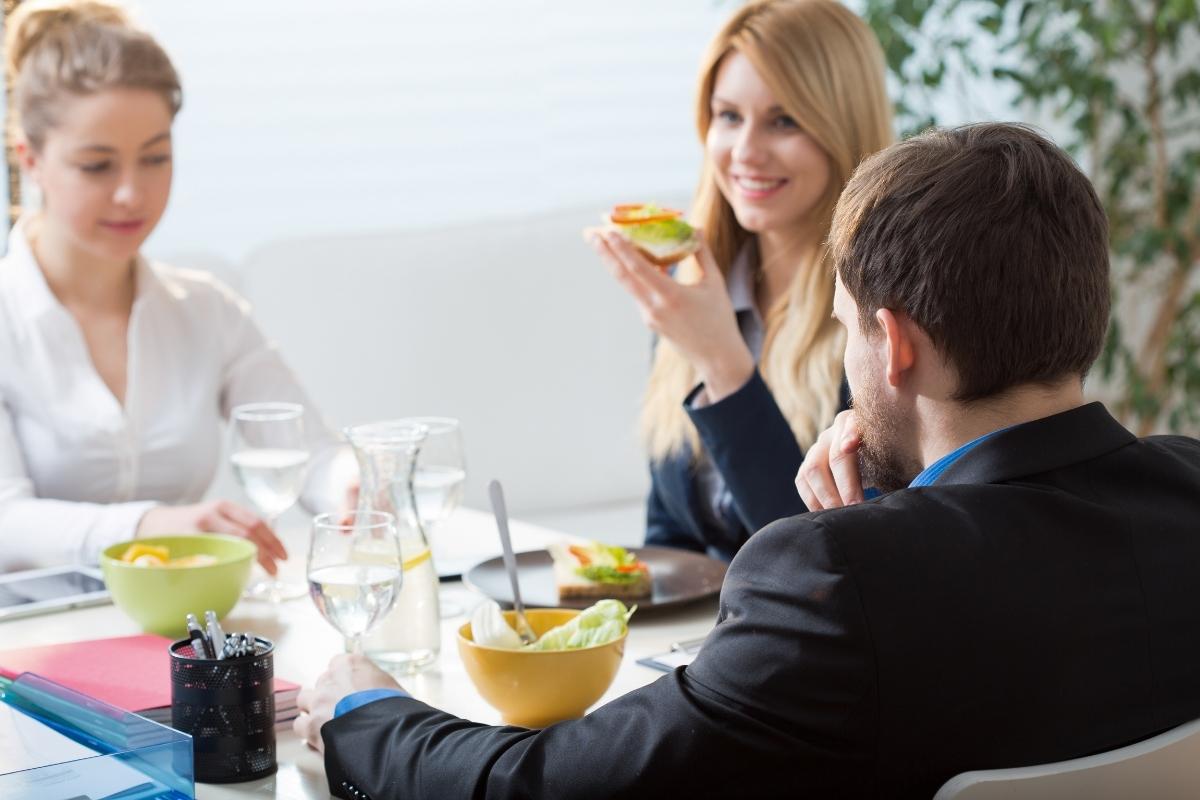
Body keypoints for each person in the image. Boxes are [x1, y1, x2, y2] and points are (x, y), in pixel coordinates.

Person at [296, 122, 1200, 799]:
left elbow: (544, 786)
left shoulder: (840, 578)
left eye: (845, 328)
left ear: (894, 345)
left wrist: (363, 711)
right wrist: (874, 526)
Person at [0, 0, 331, 573]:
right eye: (97, 166)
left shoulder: (206, 310)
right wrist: (148, 525)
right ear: (30, 159)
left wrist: (352, 487)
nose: (132, 193)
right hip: (31, 637)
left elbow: (314, 455)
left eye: (155, 158)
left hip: (186, 631)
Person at [589, 0, 893, 561]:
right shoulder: (697, 289)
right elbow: (671, 539)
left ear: (840, 127)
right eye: (728, 116)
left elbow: (830, 561)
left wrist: (724, 366)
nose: (746, 152)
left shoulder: (879, 315)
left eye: (784, 121)